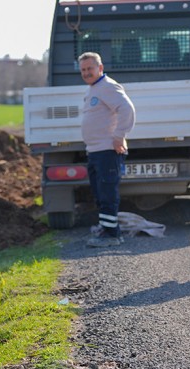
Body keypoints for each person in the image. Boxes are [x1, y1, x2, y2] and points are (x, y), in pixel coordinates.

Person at [77, 52, 136, 248]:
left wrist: (119, 135)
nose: (86, 73)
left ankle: (112, 235)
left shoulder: (107, 86)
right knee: (99, 192)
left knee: (108, 192)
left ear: (100, 68)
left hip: (107, 151)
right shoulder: (93, 89)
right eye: (83, 70)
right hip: (95, 151)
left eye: (90, 68)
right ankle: (106, 227)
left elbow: (127, 109)